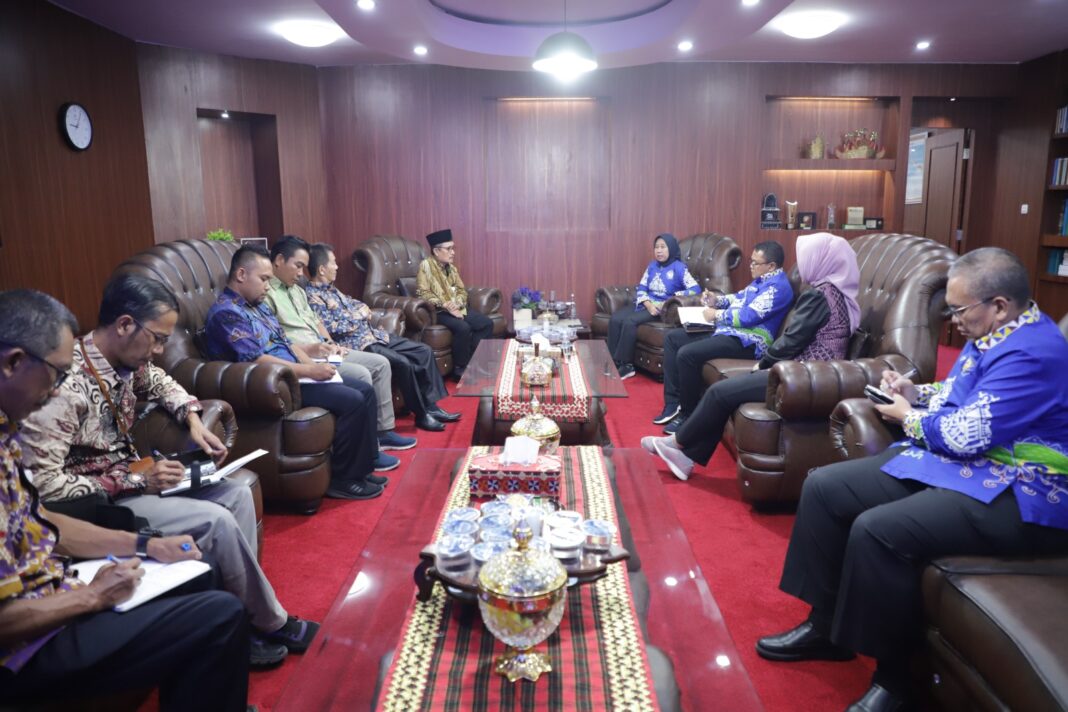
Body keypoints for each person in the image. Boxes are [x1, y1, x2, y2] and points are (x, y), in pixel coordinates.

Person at [755, 248, 1068, 712]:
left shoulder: (1034, 353)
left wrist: (908, 416)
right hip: (974, 467)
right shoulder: (995, 332)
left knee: (880, 530)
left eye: (959, 310)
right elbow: (961, 393)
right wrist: (916, 392)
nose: (953, 321)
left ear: (999, 305)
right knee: (824, 487)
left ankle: (897, 682)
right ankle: (826, 629)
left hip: (1024, 490)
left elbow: (964, 434)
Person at [20, 274, 319, 668]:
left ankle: (242, 617)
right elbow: (45, 487)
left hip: (134, 478)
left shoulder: (126, 362)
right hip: (98, 502)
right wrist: (136, 480)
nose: (160, 350)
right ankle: (268, 622)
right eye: (157, 339)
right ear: (124, 325)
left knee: (235, 493)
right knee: (215, 520)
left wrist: (192, 418)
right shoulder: (61, 386)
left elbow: (162, 383)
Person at [0, 288, 251, 710]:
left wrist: (147, 546)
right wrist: (92, 597)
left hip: (55, 588)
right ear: (13, 363)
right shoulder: (53, 404)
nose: (58, 390)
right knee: (220, 615)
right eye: (57, 375)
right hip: (26, 647)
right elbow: (51, 492)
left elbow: (40, 519)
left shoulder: (7, 432)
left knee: (200, 574)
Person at [642, 232, 859, 480]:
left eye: (808, 258)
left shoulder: (818, 296)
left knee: (719, 392)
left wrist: (763, 364)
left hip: (801, 376)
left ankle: (677, 443)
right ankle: (685, 456)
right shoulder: (836, 293)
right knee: (722, 392)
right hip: (812, 374)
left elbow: (791, 341)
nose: (803, 265)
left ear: (822, 261)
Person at [203, 246, 389, 500]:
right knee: (353, 400)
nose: (268, 287)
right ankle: (344, 480)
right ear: (241, 274)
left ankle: (362, 470)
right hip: (275, 384)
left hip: (295, 374)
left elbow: (286, 343)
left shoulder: (257, 306)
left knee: (364, 390)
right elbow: (257, 359)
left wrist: (314, 365)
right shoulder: (227, 313)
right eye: (264, 279)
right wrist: (309, 371)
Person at [263, 235, 415, 451]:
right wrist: (313, 350)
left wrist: (329, 342)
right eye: (298, 266)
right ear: (279, 260)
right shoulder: (266, 294)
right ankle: (369, 444)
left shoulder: (297, 290)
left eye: (303, 267)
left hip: (324, 349)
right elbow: (278, 339)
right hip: (306, 355)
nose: (301, 273)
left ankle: (384, 432)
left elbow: (316, 321)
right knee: (362, 373)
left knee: (381, 363)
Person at [305, 242, 461, 432]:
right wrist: (359, 314)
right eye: (333, 263)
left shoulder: (332, 289)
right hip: (357, 344)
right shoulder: (312, 297)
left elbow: (359, 305)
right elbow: (333, 327)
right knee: (403, 363)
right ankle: (421, 415)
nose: (337, 267)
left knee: (423, 350)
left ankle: (431, 407)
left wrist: (359, 312)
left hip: (375, 335)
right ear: (322, 269)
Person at [657, 240, 794, 434]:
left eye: (755, 263)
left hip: (750, 342)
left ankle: (688, 415)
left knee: (687, 354)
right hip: (729, 332)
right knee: (673, 338)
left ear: (771, 266)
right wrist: (717, 300)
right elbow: (739, 297)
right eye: (751, 261)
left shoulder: (778, 288)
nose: (751, 266)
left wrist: (717, 314)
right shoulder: (761, 280)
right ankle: (673, 403)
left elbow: (748, 316)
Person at [607, 233, 700, 379]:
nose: (659, 251)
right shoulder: (652, 266)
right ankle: (612, 361)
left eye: (663, 247)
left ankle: (626, 366)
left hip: (662, 308)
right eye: (656, 247)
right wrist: (647, 303)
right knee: (615, 318)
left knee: (629, 322)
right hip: (646, 304)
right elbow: (642, 288)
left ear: (671, 248)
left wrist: (674, 296)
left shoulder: (679, 268)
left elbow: (695, 288)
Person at [417, 228, 494, 380]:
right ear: (436, 251)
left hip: (457, 308)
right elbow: (423, 293)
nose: (453, 252)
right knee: (463, 327)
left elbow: (461, 290)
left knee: (486, 324)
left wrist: (457, 304)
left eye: (453, 248)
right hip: (438, 311)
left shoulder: (452, 268)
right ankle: (460, 369)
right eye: (448, 249)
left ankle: (476, 364)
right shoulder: (425, 266)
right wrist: (445, 304)